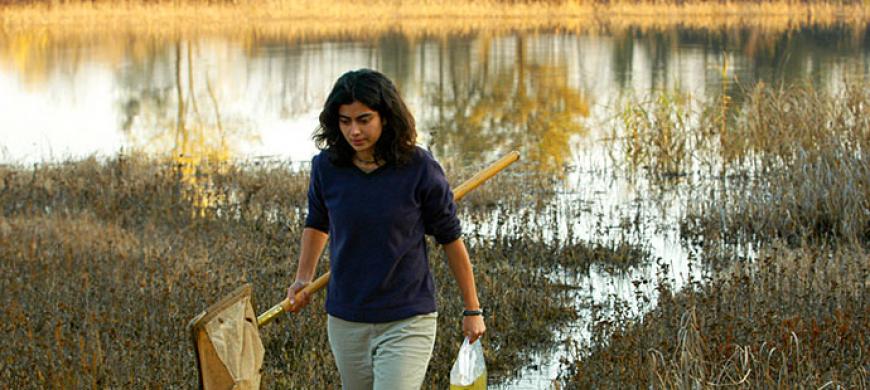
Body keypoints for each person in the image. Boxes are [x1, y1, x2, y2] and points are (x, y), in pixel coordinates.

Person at [285, 68, 486, 389]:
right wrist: (303, 278)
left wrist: (472, 308)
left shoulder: (419, 168)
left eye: (364, 119)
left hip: (407, 318)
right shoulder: (326, 168)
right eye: (345, 120)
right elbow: (317, 223)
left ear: (386, 117)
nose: (354, 131)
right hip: (346, 318)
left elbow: (450, 239)